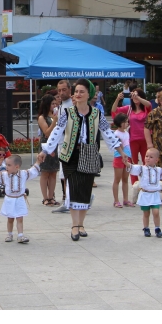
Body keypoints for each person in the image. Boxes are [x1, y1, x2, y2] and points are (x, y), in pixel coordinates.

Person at [38, 79, 126, 242]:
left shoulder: (97, 114)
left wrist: (121, 151)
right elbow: (57, 132)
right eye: (76, 91)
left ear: (89, 94)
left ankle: (81, 224)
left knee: (85, 189)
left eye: (81, 92)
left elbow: (108, 133)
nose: (78, 94)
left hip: (90, 154)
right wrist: (46, 150)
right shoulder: (67, 113)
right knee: (72, 189)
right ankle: (74, 225)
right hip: (70, 154)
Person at [0, 154, 42, 243]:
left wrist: (38, 161)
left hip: (20, 199)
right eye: (6, 165)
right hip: (9, 200)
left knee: (20, 218)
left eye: (9, 165)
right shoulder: (4, 175)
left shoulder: (24, 174)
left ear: (17, 166)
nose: (6, 167)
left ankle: (20, 235)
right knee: (10, 219)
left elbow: (33, 171)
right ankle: (9, 234)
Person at [126, 148, 162, 238]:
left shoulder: (159, 170)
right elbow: (133, 168)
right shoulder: (141, 169)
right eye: (146, 156)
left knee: (156, 212)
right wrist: (126, 163)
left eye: (151, 157)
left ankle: (157, 228)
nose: (148, 158)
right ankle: (146, 228)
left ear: (156, 160)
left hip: (154, 195)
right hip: (145, 194)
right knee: (146, 213)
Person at [111, 88, 152, 183]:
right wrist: (118, 99)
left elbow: (149, 104)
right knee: (133, 163)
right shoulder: (129, 108)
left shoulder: (146, 109)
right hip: (132, 140)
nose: (135, 97)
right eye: (133, 95)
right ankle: (135, 184)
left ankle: (146, 182)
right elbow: (114, 111)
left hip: (145, 139)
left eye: (137, 95)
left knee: (147, 161)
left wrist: (138, 97)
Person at [53, 80, 74, 213]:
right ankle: (67, 199)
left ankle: (71, 200)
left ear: (70, 89)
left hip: (70, 144)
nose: (61, 93)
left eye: (64, 89)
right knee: (63, 174)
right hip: (62, 143)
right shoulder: (61, 106)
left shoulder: (72, 105)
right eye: (59, 90)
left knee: (69, 173)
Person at [37, 94, 60, 206]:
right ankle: (45, 198)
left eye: (55, 104)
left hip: (56, 145)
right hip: (46, 145)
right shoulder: (42, 117)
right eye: (52, 104)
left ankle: (51, 197)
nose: (55, 106)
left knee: (53, 172)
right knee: (45, 172)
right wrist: (54, 121)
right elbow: (46, 133)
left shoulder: (56, 116)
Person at [112, 113, 133, 208]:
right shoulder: (116, 134)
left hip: (127, 158)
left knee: (125, 179)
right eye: (125, 122)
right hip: (119, 158)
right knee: (117, 179)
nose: (127, 123)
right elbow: (119, 146)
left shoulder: (126, 133)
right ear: (119, 123)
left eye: (127, 121)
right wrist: (122, 154)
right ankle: (116, 200)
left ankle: (125, 199)